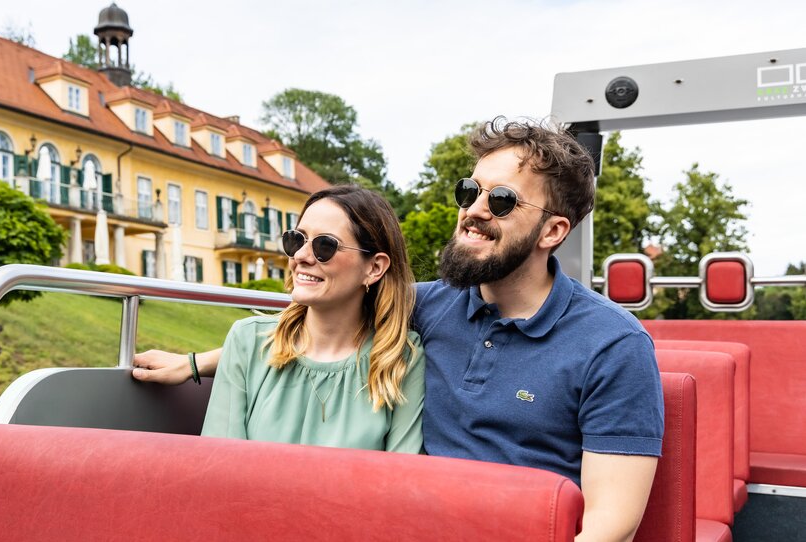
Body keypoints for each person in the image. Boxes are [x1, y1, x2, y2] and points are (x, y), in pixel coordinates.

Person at [133, 118, 662, 541]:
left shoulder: (612, 345)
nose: (473, 211)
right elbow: (312, 326)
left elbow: (612, 525)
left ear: (553, 230)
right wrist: (194, 365)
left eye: (500, 201)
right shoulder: (427, 306)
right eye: (468, 192)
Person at [137, 185, 425, 453]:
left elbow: (398, 484)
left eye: (325, 246)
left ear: (374, 267)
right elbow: (221, 469)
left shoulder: (402, 361)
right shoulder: (247, 340)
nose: (301, 255)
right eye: (296, 239)